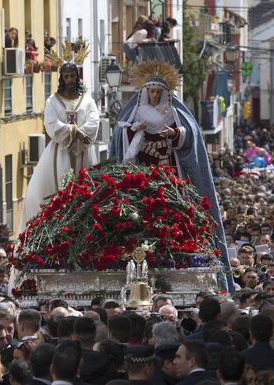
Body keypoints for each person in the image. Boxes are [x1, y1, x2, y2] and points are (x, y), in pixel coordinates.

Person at [110, 60, 232, 292]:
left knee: (171, 205)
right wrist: (134, 130)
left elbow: (191, 135)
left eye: (158, 91)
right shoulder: (135, 110)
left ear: (165, 92)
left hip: (168, 167)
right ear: (145, 92)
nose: (155, 95)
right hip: (142, 169)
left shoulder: (174, 110)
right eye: (151, 91)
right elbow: (120, 133)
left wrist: (175, 133)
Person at [20, 58, 99, 228]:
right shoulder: (52, 101)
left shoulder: (88, 100)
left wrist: (81, 132)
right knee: (54, 186)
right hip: (60, 151)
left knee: (85, 184)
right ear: (61, 79)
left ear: (77, 78)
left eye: (72, 76)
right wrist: (74, 131)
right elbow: (51, 124)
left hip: (83, 150)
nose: (69, 80)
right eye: (66, 77)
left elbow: (93, 122)